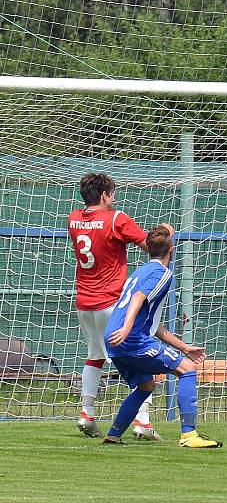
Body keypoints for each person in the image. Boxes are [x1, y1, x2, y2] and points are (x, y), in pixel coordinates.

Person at [101, 225, 221, 448]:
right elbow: (138, 298)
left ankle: (113, 434)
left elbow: (154, 326)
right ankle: (189, 435)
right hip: (129, 338)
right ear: (172, 250)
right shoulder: (162, 274)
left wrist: (185, 347)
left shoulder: (141, 271)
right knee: (187, 369)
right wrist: (128, 328)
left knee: (146, 385)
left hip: (113, 338)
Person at [68, 172, 159, 440]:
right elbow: (149, 246)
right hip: (112, 301)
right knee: (140, 353)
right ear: (105, 195)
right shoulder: (117, 218)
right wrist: (165, 233)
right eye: (113, 193)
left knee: (94, 354)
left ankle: (86, 413)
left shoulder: (74, 219)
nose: (115, 198)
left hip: (84, 302)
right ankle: (142, 420)